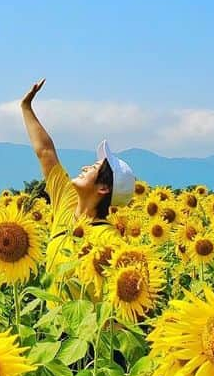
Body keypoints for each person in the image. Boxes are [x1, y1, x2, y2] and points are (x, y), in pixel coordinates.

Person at [20, 78, 137, 274]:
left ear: (103, 188)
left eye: (94, 167)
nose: (85, 167)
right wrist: (26, 107)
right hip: (54, 306)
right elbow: (45, 152)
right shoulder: (66, 202)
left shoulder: (109, 240)